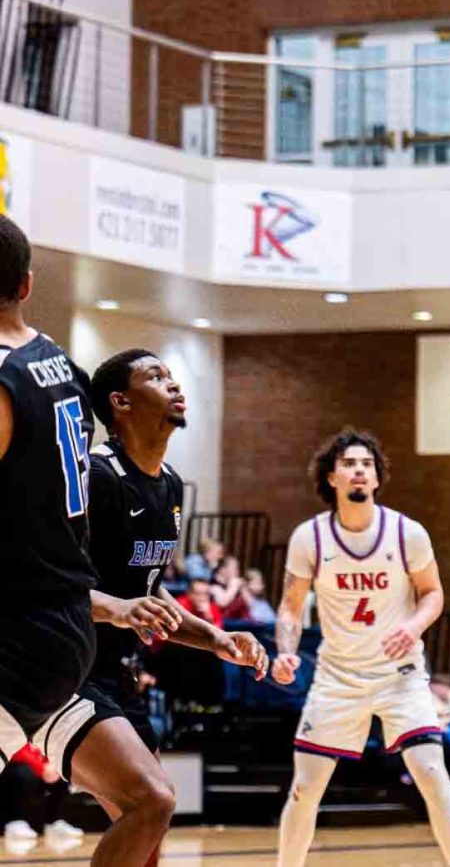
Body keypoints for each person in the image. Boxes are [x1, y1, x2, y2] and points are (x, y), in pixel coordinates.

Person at [0, 215, 188, 867]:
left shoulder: (7, 378)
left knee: (148, 805)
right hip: (68, 637)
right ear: (26, 284)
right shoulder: (61, 370)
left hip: (22, 629)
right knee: (148, 804)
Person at [75, 348, 269, 866]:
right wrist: (118, 608)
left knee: (147, 838)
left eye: (172, 375)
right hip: (65, 670)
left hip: (116, 673)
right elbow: (55, 586)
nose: (174, 385)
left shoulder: (171, 486)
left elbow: (150, 589)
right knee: (153, 802)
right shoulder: (96, 478)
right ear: (120, 402)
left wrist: (217, 639)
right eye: (156, 377)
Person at [271, 428, 450, 867]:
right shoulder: (311, 538)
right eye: (349, 464)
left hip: (398, 675)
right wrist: (285, 650)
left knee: (432, 773)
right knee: (304, 789)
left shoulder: (407, 533)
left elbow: (433, 593)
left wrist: (414, 626)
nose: (359, 471)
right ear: (330, 477)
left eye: (366, 464)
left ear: (377, 478)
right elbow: (289, 609)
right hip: (337, 677)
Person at [0, 744, 79, 846]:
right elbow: (14, 752)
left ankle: (55, 821)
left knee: (61, 773)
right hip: (10, 769)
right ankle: (16, 822)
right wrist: (41, 768)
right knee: (21, 773)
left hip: (37, 768)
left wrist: (52, 765)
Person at [211, 555, 251, 620]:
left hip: (241, 622)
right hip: (223, 623)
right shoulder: (214, 585)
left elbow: (250, 605)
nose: (237, 571)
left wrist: (243, 589)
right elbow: (223, 603)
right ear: (222, 569)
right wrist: (233, 586)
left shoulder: (236, 585)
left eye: (237, 569)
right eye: (234, 568)